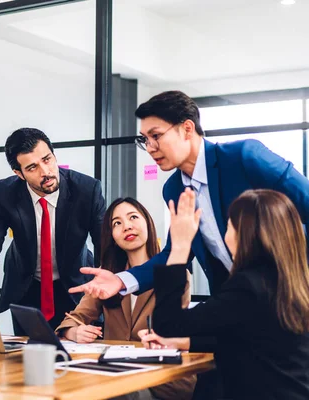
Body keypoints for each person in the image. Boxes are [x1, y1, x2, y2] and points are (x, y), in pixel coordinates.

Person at [68, 90, 309, 300]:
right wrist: (121, 280)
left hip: (294, 298)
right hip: (240, 306)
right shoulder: (173, 189)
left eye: (156, 136)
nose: (150, 147)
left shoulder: (245, 157)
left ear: (187, 128)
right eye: (145, 140)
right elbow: (176, 253)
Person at [139, 188, 309, 400]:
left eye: (228, 226)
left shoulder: (247, 286)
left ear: (244, 234)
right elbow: (252, 341)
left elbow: (167, 325)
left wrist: (180, 247)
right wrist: (183, 343)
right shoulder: (292, 284)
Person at [0, 128, 106, 335]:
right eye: (32, 167)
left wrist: (103, 298)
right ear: (19, 174)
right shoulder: (5, 194)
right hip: (26, 289)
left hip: (75, 287)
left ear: (54, 156)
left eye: (47, 159)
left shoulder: (87, 189)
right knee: (26, 356)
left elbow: (104, 245)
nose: (45, 172)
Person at [56, 198, 195, 400]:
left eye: (133, 217)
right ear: (112, 236)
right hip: (114, 374)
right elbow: (74, 318)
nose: (127, 226)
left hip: (161, 378)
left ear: (148, 222)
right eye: (117, 223)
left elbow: (174, 330)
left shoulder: (174, 273)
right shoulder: (107, 277)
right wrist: (74, 331)